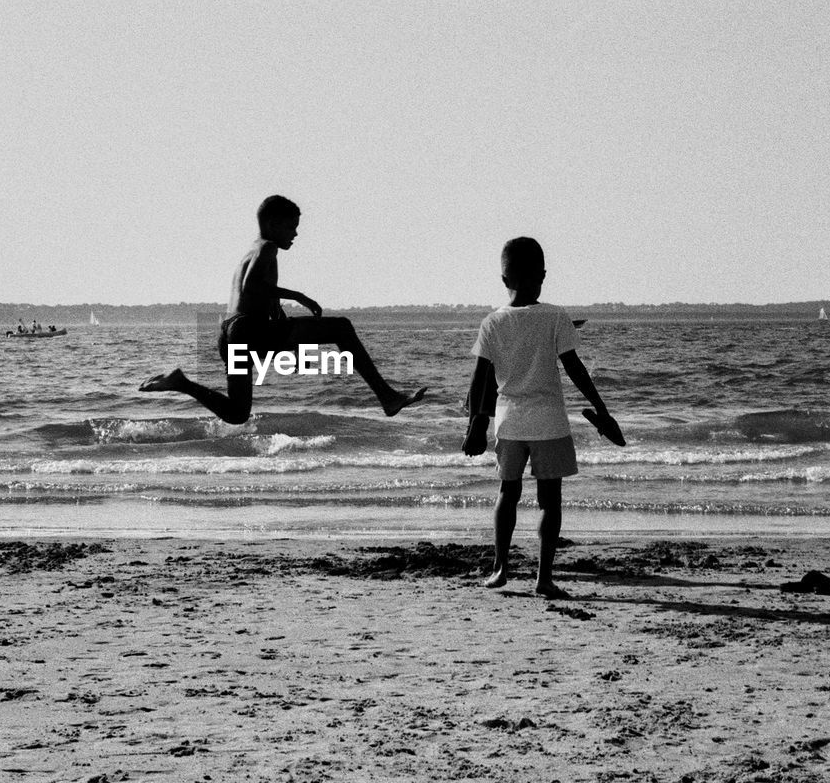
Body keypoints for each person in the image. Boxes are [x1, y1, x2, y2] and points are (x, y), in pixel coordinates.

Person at [140, 195, 428, 423]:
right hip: (249, 329)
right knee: (341, 328)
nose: (296, 233)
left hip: (230, 333)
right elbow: (253, 287)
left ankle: (182, 383)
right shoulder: (267, 248)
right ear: (272, 224)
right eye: (291, 226)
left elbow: (254, 296)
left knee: (238, 414)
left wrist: (279, 316)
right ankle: (387, 397)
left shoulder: (252, 251)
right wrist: (300, 296)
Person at [463, 236, 625, 600]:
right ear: (543, 275)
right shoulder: (556, 316)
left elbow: (480, 379)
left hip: (509, 420)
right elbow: (575, 368)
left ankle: (499, 568)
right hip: (549, 420)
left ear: (504, 279)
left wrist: (475, 423)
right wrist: (601, 409)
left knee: (508, 492)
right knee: (550, 501)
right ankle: (544, 579)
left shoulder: (492, 322)